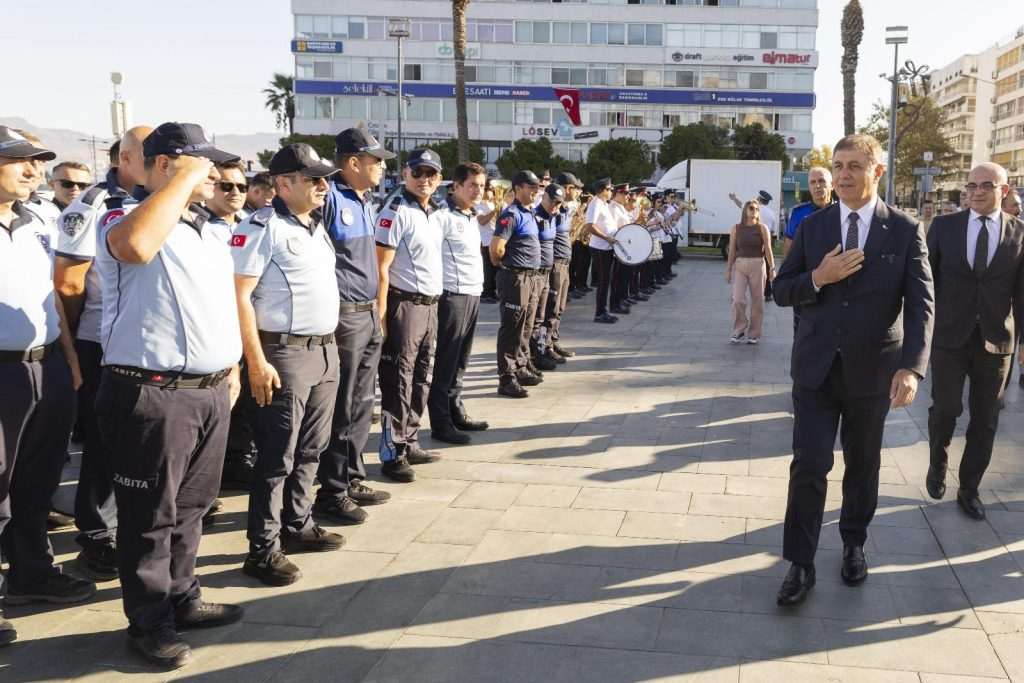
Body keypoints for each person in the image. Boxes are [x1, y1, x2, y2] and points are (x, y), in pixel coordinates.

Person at [94, 123, 245, 668]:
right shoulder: (121, 215)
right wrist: (179, 182)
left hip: (206, 393)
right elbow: (133, 246)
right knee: (149, 516)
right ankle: (148, 623)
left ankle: (182, 598)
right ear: (166, 165)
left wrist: (230, 365)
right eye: (201, 164)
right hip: (151, 394)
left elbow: (215, 305)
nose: (214, 175)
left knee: (193, 508)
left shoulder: (206, 230)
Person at [772, 134, 933, 606]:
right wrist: (818, 278)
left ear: (876, 171)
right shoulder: (814, 227)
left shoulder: (904, 229)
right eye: (838, 165)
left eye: (854, 166)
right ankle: (800, 562)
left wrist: (912, 369)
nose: (843, 175)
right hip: (816, 371)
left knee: (863, 465)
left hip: (873, 374)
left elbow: (922, 306)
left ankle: (853, 544)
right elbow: (781, 290)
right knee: (809, 464)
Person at [232, 143, 345, 586]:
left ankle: (297, 524)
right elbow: (239, 296)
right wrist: (255, 360)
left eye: (324, 178)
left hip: (323, 350)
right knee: (276, 456)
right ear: (282, 184)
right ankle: (262, 549)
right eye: (312, 178)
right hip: (284, 353)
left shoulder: (314, 226)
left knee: (312, 447)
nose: (323, 186)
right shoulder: (262, 227)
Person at [0, 127, 89, 647]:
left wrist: (71, 362)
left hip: (48, 366)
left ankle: (32, 574)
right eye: (21, 161)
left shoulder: (38, 222)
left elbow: (52, 299)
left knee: (37, 480)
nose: (34, 171)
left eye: (37, 162)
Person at [55, 124, 153, 581]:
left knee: (135, 446)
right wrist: (75, 344)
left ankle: (127, 526)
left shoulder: (155, 202)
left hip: (146, 346)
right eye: (151, 155)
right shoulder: (92, 206)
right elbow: (70, 284)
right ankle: (96, 534)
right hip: (101, 341)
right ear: (126, 159)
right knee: (102, 444)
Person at [925, 163, 1024, 521]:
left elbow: (1022, 294)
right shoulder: (945, 227)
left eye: (986, 185)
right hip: (949, 337)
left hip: (998, 342)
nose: (976, 192)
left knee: (986, 420)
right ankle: (938, 460)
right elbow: (926, 283)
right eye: (971, 186)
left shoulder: (1019, 233)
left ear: (1005, 190)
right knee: (946, 409)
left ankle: (969, 488)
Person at [314, 128, 395, 522]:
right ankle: (331, 489)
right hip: (344, 314)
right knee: (342, 404)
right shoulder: (328, 197)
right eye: (375, 160)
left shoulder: (364, 200)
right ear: (352, 163)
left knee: (363, 401)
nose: (381, 167)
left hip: (366, 311)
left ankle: (351, 476)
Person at [375, 149, 445, 481]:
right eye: (418, 172)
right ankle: (393, 452)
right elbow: (380, 268)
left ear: (439, 179)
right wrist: (382, 317)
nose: (424, 179)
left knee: (422, 377)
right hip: (404, 305)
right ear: (405, 174)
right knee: (398, 380)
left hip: (430, 305)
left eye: (431, 174)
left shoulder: (433, 212)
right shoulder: (396, 210)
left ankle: (411, 438)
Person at [428, 162, 491, 444]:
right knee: (446, 361)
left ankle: (456, 411)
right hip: (452, 295)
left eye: (481, 185)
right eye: (472, 185)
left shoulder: (470, 215)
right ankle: (440, 423)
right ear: (456, 186)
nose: (478, 190)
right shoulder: (441, 216)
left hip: (472, 292)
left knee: (461, 361)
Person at [492, 170, 543, 398]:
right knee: (511, 328)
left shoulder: (528, 213)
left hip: (531, 278)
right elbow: (496, 249)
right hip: (516, 277)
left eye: (537, 188)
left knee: (525, 326)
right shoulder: (510, 214)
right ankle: (506, 377)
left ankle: (520, 367)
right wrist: (505, 267)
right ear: (518, 188)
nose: (535, 192)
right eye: (531, 187)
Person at [543, 173, 582, 361]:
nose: (578, 192)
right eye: (575, 188)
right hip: (556, 263)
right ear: (567, 188)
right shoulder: (554, 210)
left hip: (564, 263)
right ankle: (545, 345)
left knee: (559, 308)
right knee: (551, 307)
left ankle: (553, 341)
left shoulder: (565, 210)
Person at [726, 200, 774, 345]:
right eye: (751, 209)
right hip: (740, 265)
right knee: (738, 299)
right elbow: (732, 250)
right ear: (745, 211)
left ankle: (754, 333)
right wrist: (728, 269)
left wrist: (772, 268)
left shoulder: (762, 228)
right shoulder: (736, 228)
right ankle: (739, 329)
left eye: (756, 209)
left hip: (758, 265)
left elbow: (768, 249)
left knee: (757, 300)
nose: (754, 211)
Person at [530, 183, 565, 371]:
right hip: (536, 273)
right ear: (543, 197)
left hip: (548, 271)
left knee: (546, 313)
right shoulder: (534, 217)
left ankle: (541, 349)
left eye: (559, 204)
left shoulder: (554, 217)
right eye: (553, 202)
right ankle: (533, 355)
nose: (555, 207)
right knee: (535, 318)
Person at [586, 178, 620, 323]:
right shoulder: (595, 203)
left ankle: (603, 310)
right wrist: (607, 238)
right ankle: (600, 313)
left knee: (606, 280)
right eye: (609, 189)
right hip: (600, 247)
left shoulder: (603, 204)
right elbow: (590, 226)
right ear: (602, 190)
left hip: (606, 247)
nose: (611, 191)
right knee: (603, 281)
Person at [477, 180, 499, 303]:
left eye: (491, 189)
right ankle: (486, 293)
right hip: (485, 240)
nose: (489, 192)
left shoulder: (493, 204)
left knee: (495, 268)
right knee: (488, 269)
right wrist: (495, 211)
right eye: (487, 189)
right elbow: (482, 221)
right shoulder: (479, 205)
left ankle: (493, 291)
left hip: (496, 239)